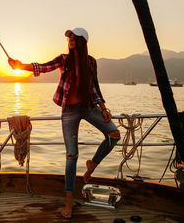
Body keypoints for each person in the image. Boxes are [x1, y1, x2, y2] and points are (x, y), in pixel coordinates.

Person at [8, 28, 120, 219]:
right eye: (68, 38)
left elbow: (95, 87)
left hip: (89, 107)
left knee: (114, 134)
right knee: (71, 155)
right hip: (69, 111)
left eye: (73, 38)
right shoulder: (63, 59)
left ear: (82, 41)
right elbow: (43, 67)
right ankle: (69, 202)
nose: (69, 40)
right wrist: (20, 65)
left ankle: (93, 163)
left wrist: (103, 108)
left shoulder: (91, 62)